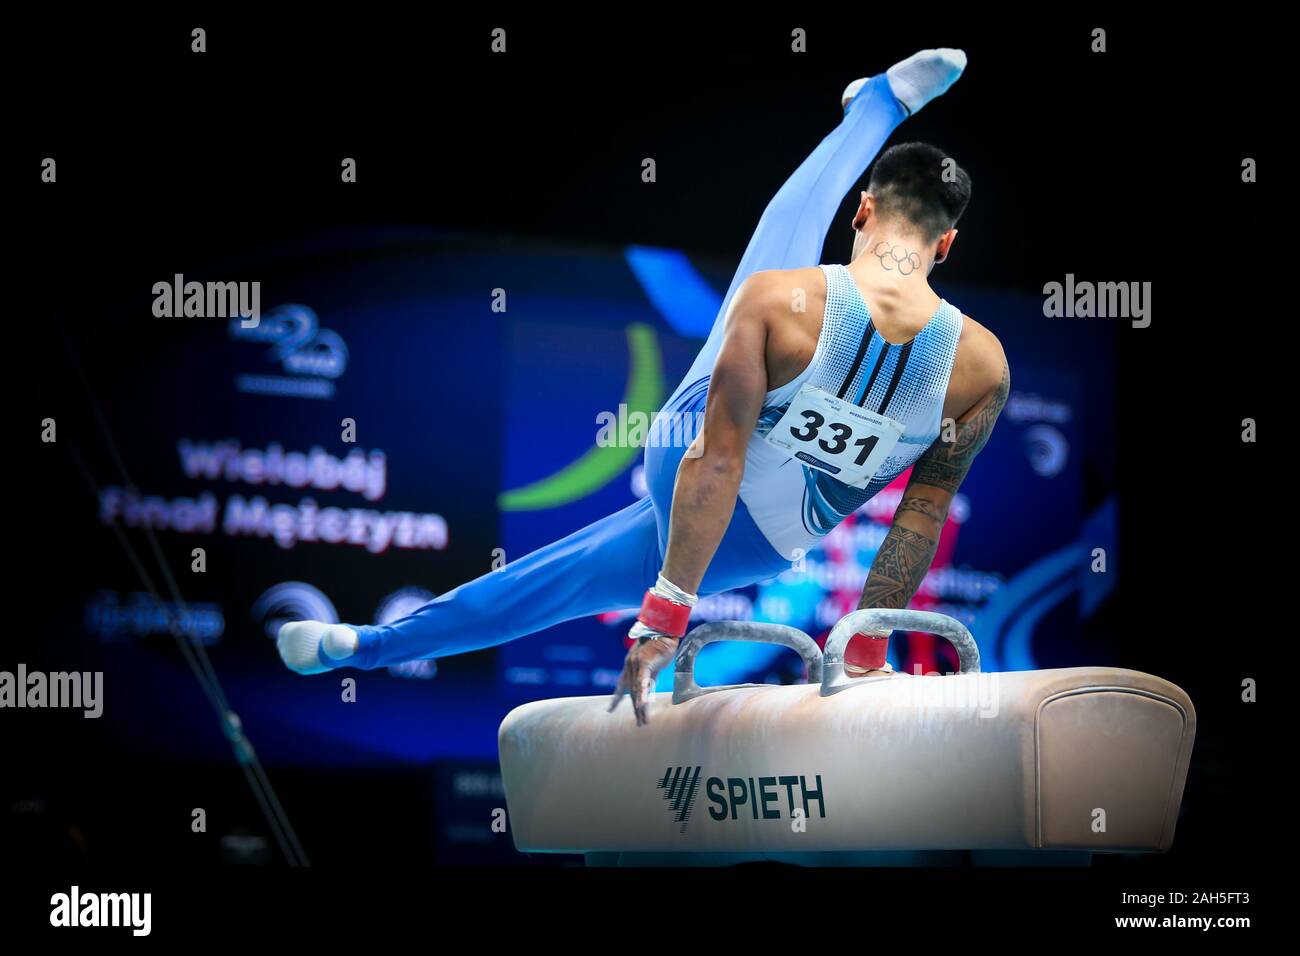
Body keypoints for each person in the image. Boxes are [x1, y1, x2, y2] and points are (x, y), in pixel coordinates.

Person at [278, 48, 1009, 727]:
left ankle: (876, 107)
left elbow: (718, 463)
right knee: (562, 583)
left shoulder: (786, 299)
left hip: (689, 468)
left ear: (862, 212)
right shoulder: (984, 366)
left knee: (772, 268)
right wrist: (866, 649)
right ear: (947, 244)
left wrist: (665, 614)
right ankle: (365, 645)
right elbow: (921, 515)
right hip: (754, 545)